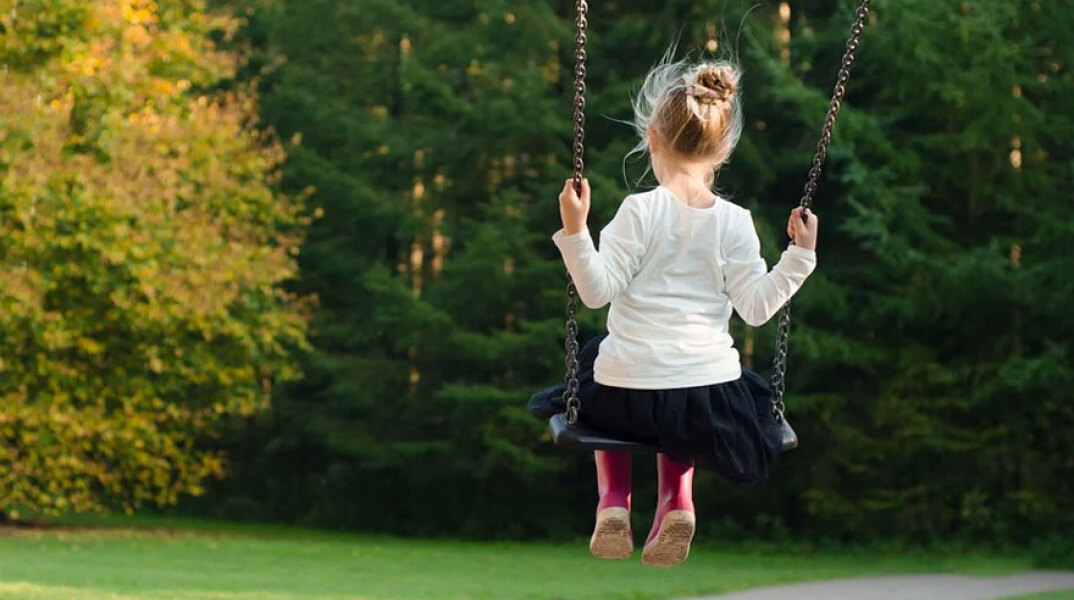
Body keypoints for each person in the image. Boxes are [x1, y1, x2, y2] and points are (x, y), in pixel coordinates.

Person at [548, 56, 818, 567]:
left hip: (627, 390)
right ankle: (678, 500)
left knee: (597, 368)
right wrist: (799, 256)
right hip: (706, 394)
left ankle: (612, 501)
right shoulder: (736, 222)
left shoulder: (639, 210)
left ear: (652, 136)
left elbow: (596, 292)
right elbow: (758, 308)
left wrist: (576, 229)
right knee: (682, 404)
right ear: (724, 149)